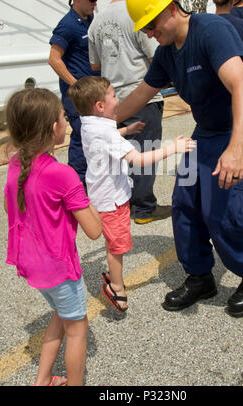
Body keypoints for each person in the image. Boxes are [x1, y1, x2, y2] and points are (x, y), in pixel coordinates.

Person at [117, 0, 243, 318]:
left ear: (171, 9)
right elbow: (140, 96)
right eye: (144, 28)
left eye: (152, 24)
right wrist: (99, 123)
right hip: (206, 130)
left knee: (221, 206)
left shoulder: (211, 32)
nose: (149, 33)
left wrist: (236, 148)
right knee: (185, 200)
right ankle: (200, 275)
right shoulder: (165, 53)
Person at [68, 76, 195, 313]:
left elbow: (109, 138)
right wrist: (173, 148)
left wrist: (127, 130)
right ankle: (116, 287)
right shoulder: (105, 133)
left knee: (111, 240)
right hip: (112, 199)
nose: (118, 99)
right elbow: (139, 159)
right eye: (114, 95)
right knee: (118, 245)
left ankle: (113, 275)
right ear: (100, 106)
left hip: (99, 194)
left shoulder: (88, 123)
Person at [4, 88, 102, 386]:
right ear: (53, 128)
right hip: (59, 269)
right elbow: (95, 231)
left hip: (31, 265)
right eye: (63, 117)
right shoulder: (62, 174)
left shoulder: (14, 164)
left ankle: (43, 379)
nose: (67, 122)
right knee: (77, 329)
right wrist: (89, 199)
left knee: (61, 315)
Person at [88, 0, 171, 224]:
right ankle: (144, 208)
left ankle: (122, 204)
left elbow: (95, 64)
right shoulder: (139, 13)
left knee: (120, 155)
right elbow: (156, 57)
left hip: (111, 100)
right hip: (141, 96)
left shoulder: (96, 22)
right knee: (145, 150)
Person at [49, 0, 103, 187]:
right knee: (82, 139)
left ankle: (91, 183)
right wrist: (76, 85)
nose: (94, 3)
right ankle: (76, 186)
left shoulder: (89, 21)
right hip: (78, 98)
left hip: (92, 94)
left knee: (93, 139)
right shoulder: (68, 25)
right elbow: (54, 59)